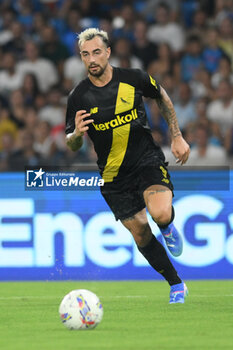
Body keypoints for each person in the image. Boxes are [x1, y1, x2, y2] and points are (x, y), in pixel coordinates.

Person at [65, 28, 190, 304]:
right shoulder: (78, 96)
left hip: (146, 160)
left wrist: (177, 135)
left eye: (96, 52)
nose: (91, 59)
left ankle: (167, 225)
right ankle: (176, 284)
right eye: (85, 55)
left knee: (159, 214)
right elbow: (71, 143)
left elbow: (163, 97)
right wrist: (75, 135)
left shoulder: (134, 78)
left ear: (108, 52)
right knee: (141, 232)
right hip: (113, 177)